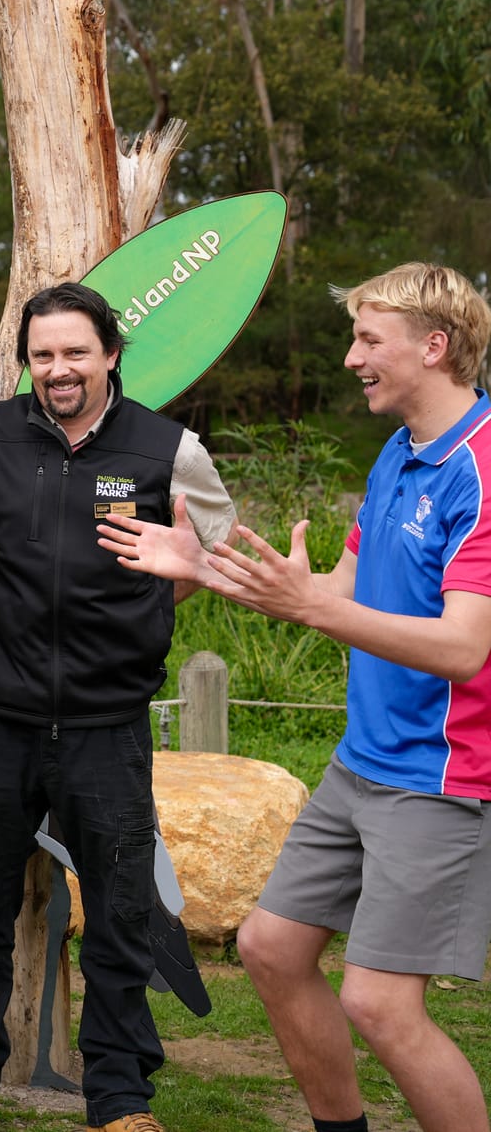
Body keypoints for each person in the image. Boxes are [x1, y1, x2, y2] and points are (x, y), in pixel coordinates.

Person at [101, 262, 491, 1132]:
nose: (352, 356)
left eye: (367, 339)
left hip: (440, 777)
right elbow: (338, 597)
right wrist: (200, 565)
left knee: (384, 1003)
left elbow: (468, 647)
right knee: (271, 949)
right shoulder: (398, 455)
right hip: (362, 762)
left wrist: (317, 601)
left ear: (434, 347)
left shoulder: (482, 468)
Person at [0, 282, 236, 1132]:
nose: (58, 369)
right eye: (43, 355)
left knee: (117, 917)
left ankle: (119, 1101)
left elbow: (213, 552)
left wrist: (155, 604)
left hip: (105, 726)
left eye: (75, 352)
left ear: (111, 353)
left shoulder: (169, 447)